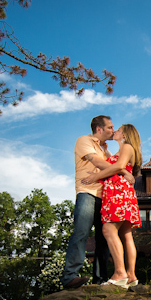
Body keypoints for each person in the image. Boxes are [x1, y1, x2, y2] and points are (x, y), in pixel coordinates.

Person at [61, 115, 133, 289]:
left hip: (106, 197)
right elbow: (98, 162)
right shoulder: (84, 141)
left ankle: (100, 279)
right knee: (81, 232)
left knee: (104, 238)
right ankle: (70, 276)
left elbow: (113, 161)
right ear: (99, 129)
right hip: (88, 192)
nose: (113, 130)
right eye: (109, 127)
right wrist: (123, 171)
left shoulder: (105, 148)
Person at [80, 124, 142, 287]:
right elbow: (116, 163)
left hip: (118, 192)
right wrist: (105, 150)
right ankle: (131, 275)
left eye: (119, 130)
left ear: (126, 135)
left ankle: (120, 272)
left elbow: (118, 166)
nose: (116, 132)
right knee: (126, 234)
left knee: (108, 229)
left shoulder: (128, 147)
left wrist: (96, 177)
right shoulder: (124, 149)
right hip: (123, 192)